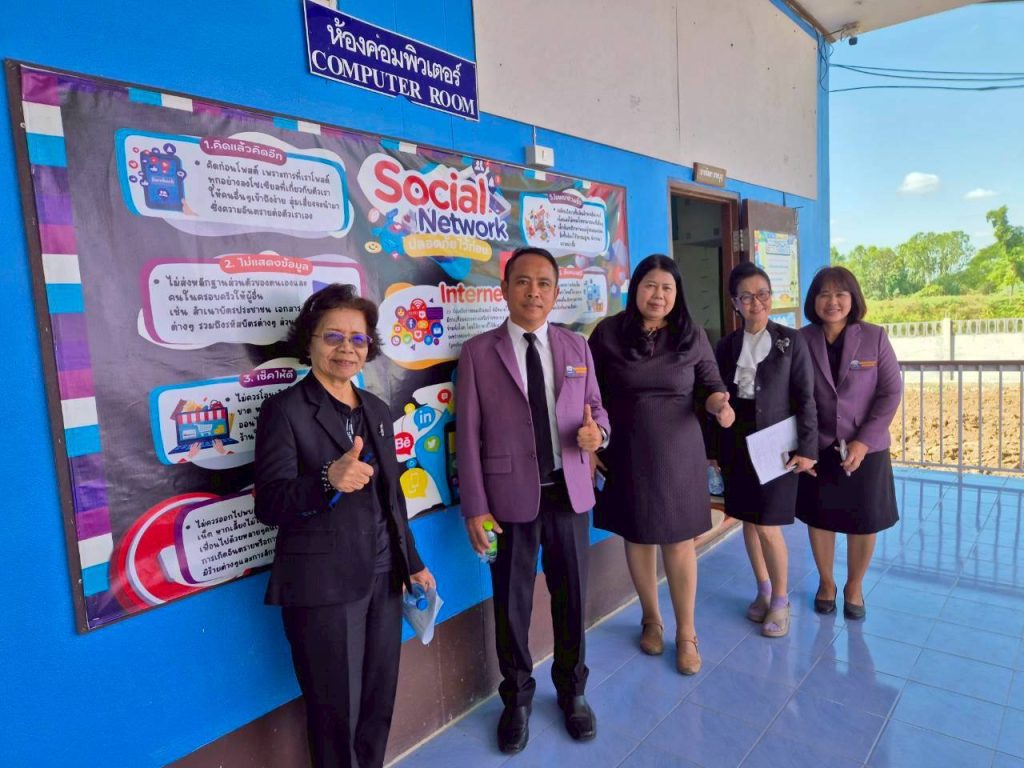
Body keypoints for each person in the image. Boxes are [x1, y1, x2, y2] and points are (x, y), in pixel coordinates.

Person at [254, 284, 435, 768]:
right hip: (324, 587)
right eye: (333, 336)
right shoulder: (284, 410)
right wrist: (326, 480)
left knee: (378, 701)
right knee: (335, 714)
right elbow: (269, 504)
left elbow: (392, 497)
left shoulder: (376, 409)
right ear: (309, 341)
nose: (347, 348)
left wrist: (412, 562)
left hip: (385, 577)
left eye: (358, 339)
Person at [456, 246, 610, 754]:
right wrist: (475, 507)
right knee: (512, 603)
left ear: (556, 292)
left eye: (544, 283)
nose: (533, 292)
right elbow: (468, 436)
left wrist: (598, 435)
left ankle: (573, 691)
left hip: (569, 493)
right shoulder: (479, 352)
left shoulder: (576, 346)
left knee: (572, 598)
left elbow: (597, 410)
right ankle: (517, 698)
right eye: (523, 281)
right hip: (508, 501)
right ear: (504, 289)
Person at [587, 254, 734, 676]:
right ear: (636, 288)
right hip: (626, 450)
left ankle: (687, 633)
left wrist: (720, 404)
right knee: (637, 537)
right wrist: (592, 446)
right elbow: (587, 392)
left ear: (677, 293)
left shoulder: (691, 333)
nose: (659, 295)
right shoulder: (608, 333)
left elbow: (711, 384)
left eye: (667, 288)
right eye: (650, 285)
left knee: (678, 541)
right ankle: (651, 618)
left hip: (679, 453)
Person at [711, 262, 817, 638]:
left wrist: (808, 448)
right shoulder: (726, 346)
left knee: (769, 525)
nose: (756, 302)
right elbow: (715, 397)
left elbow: (806, 398)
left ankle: (781, 601)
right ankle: (764, 589)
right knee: (748, 520)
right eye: (747, 296)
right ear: (734, 303)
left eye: (763, 294)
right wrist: (713, 450)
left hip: (777, 445)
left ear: (771, 297)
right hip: (736, 443)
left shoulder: (792, 341)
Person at [796, 266, 901, 620]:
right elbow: (794, 394)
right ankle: (826, 583)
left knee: (864, 520)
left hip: (866, 449)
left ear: (853, 299)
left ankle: (854, 586)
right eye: (824, 294)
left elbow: (890, 392)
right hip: (818, 446)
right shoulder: (802, 340)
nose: (833, 301)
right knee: (819, 518)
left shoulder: (874, 337)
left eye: (840, 294)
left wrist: (863, 442)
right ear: (814, 300)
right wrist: (803, 446)